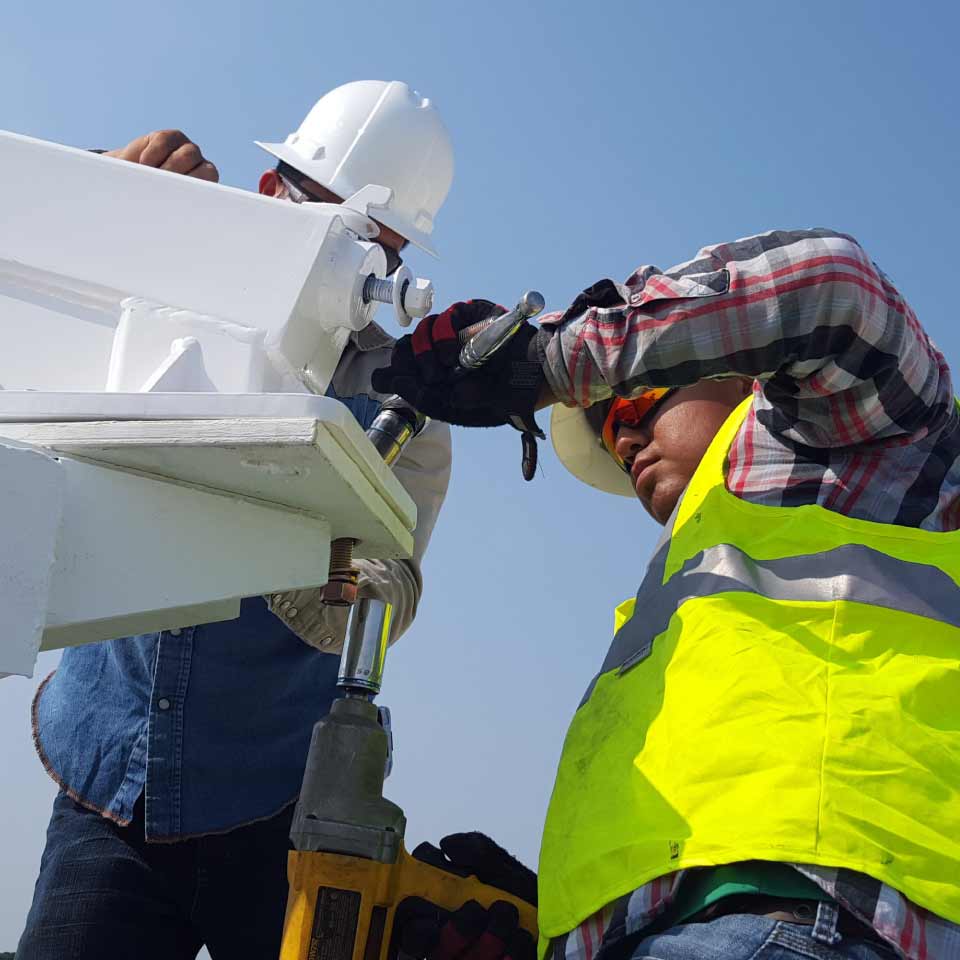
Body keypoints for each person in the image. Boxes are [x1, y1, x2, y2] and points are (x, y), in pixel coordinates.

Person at [372, 228, 960, 960]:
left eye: (633, 402)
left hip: (808, 911)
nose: (622, 439)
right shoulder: (685, 577)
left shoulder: (844, 445)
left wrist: (551, 358)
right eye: (609, 431)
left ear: (737, 370)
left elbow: (832, 285)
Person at [18, 80, 454, 960]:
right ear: (267, 199)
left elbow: (384, 593)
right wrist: (109, 194)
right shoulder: (158, 277)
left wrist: (314, 546)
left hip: (274, 808)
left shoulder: (404, 405)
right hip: (110, 785)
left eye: (380, 250)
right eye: (335, 232)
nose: (362, 269)